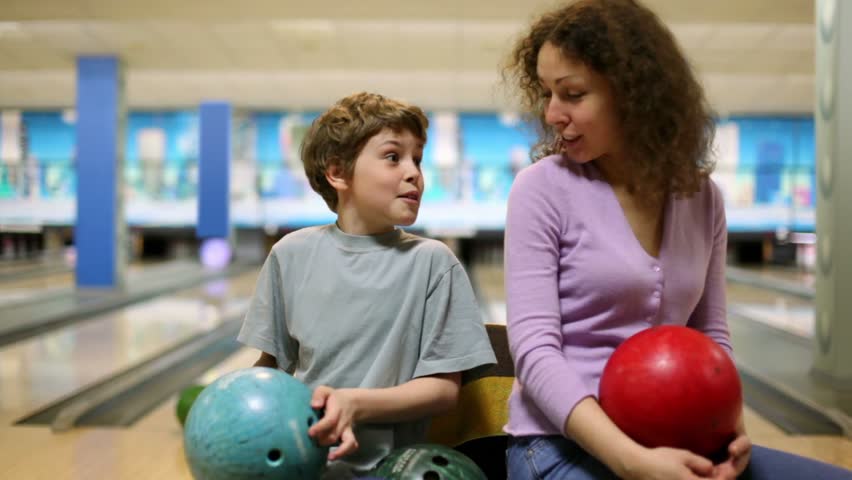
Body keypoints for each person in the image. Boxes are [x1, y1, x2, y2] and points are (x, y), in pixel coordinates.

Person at [501, 1, 852, 479]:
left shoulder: (703, 197)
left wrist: (730, 437)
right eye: (546, 93)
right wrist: (633, 462)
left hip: (680, 441)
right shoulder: (541, 189)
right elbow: (536, 352)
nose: (553, 113)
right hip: (559, 446)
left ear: (632, 92)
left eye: (573, 94)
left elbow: (712, 337)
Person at [237, 92, 496, 479]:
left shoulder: (434, 262)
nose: (414, 173)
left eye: (418, 160)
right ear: (338, 173)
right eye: (394, 157)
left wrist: (354, 403)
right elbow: (271, 369)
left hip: (392, 468)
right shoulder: (289, 255)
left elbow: (443, 390)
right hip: (300, 460)